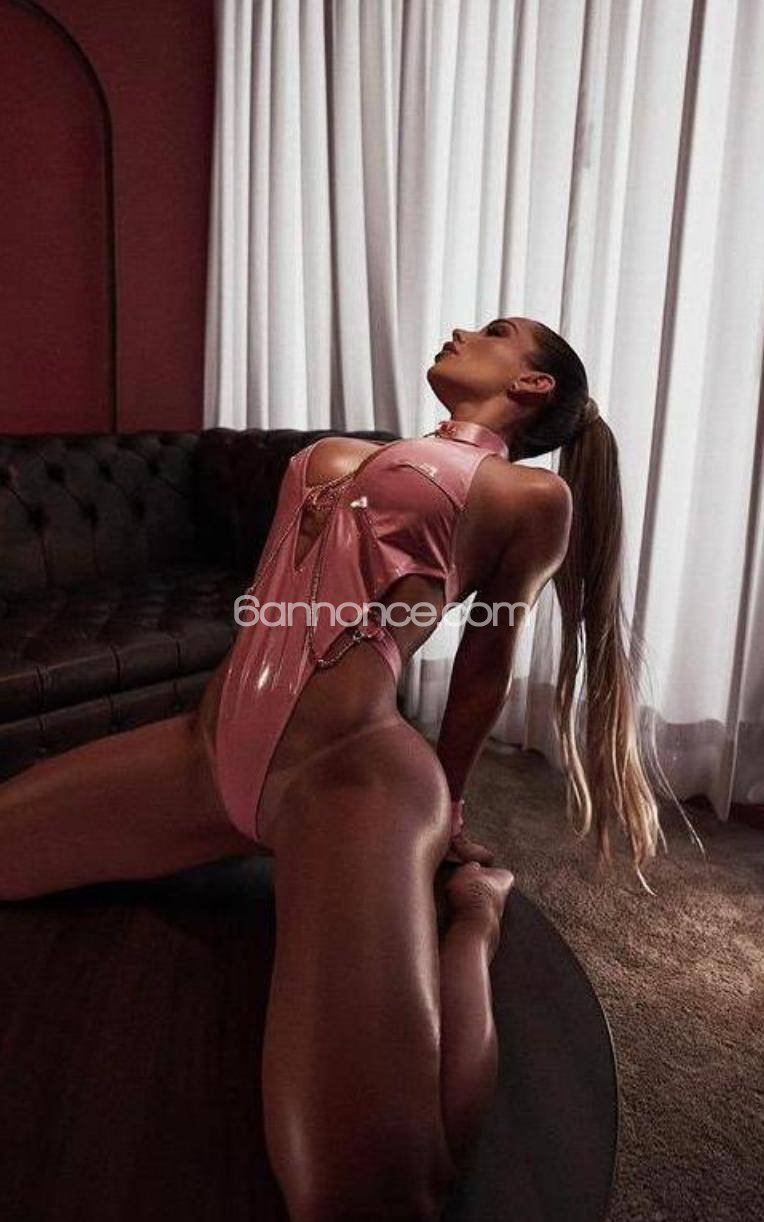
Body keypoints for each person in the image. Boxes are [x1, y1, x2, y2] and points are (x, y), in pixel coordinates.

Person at [0, 316, 670, 1220]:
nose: (462, 329)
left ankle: (477, 920)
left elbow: (486, 663)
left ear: (534, 384)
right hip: (205, 753)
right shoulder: (354, 450)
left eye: (496, 331)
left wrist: (450, 806)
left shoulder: (530, 495)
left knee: (365, 1192)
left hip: (349, 782)